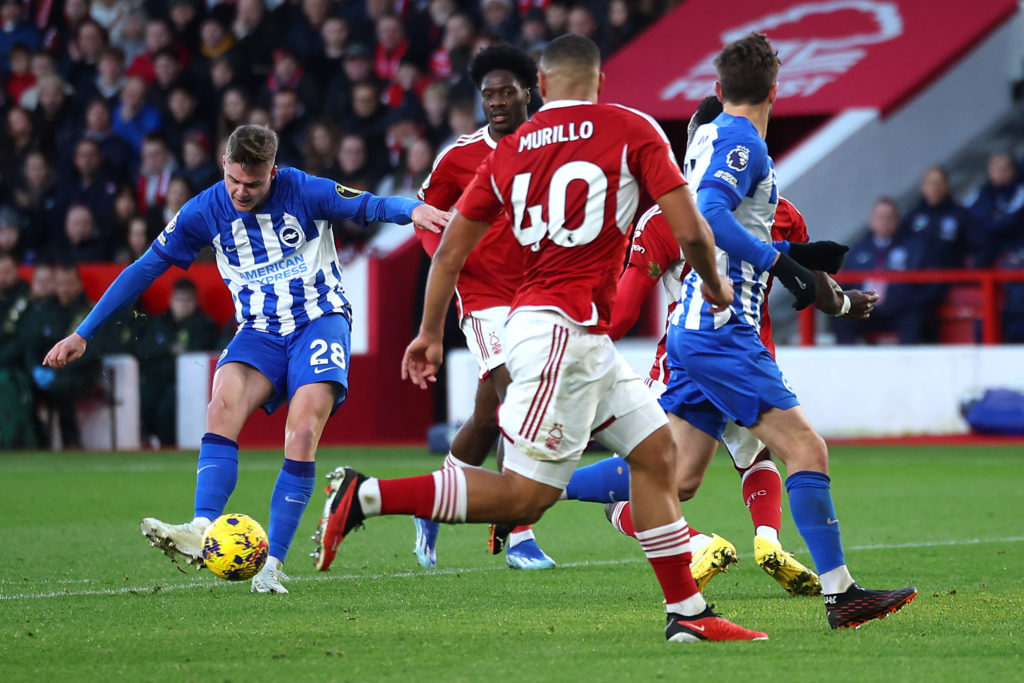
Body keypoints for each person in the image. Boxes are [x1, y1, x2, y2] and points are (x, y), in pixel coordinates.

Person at [314, 34, 768, 644]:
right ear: (599, 82)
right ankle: (366, 495)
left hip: (563, 330)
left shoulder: (507, 150)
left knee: (655, 457)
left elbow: (448, 250)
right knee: (526, 499)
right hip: (564, 335)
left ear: (543, 87)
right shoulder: (634, 128)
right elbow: (689, 228)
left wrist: (427, 333)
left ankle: (687, 614)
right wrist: (712, 283)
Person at [42, 124, 449, 594]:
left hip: (319, 321)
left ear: (272, 173)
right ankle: (201, 527)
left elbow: (371, 204)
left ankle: (272, 564)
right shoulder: (204, 209)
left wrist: (414, 210)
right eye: (234, 180)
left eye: (253, 184)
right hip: (258, 330)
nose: (241, 191)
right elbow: (143, 270)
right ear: (224, 167)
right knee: (221, 408)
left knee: (300, 433)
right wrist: (84, 333)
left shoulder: (305, 190)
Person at [655, 32, 916, 630]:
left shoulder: (706, 135)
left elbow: (719, 218)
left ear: (719, 91)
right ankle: (842, 593)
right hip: (723, 327)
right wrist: (783, 263)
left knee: (680, 479)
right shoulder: (744, 140)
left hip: (693, 325)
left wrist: (793, 258)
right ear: (777, 90)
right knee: (805, 448)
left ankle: (535, 489)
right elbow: (715, 215)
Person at [409, 43, 555, 570]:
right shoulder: (458, 156)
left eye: (506, 92)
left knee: (490, 418)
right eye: (487, 93)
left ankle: (431, 501)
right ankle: (518, 533)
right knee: (517, 397)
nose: (495, 101)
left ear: (528, 92)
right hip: (484, 296)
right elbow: (428, 215)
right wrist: (449, 257)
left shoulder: (550, 146)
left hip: (540, 292)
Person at [833, 197, 942, 345]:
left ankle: (906, 365)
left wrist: (912, 302)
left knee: (916, 319)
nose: (885, 222)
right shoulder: (858, 250)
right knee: (841, 318)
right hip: (866, 312)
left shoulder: (915, 248)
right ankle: (849, 365)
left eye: (890, 218)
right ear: (872, 221)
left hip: (902, 312)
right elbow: (845, 282)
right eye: (881, 217)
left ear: (898, 220)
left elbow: (932, 283)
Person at [135, 278, 219, 447]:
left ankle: (167, 445)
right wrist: (168, 349)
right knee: (145, 396)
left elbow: (199, 353)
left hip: (185, 382)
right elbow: (144, 351)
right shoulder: (158, 323)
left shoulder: (204, 325)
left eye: (188, 300)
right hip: (156, 377)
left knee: (168, 405)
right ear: (171, 300)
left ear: (195, 302)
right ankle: (147, 440)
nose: (183, 305)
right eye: (179, 300)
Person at [900, 166, 971, 268]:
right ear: (923, 187)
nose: (935, 188)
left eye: (939, 184)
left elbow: (978, 247)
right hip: (919, 280)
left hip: (951, 279)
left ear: (947, 186)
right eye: (931, 183)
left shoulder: (960, 215)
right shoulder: (912, 217)